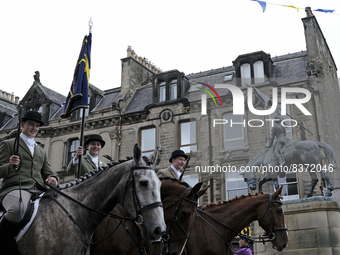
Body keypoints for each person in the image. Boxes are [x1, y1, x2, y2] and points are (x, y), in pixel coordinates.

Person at [0, 111, 58, 254]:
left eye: (37, 126)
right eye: (31, 124)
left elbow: (48, 172)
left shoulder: (41, 151)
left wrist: (52, 178)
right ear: (22, 125)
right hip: (15, 188)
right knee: (16, 211)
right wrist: (10, 166)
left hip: (39, 188)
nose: (34, 128)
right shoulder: (8, 144)